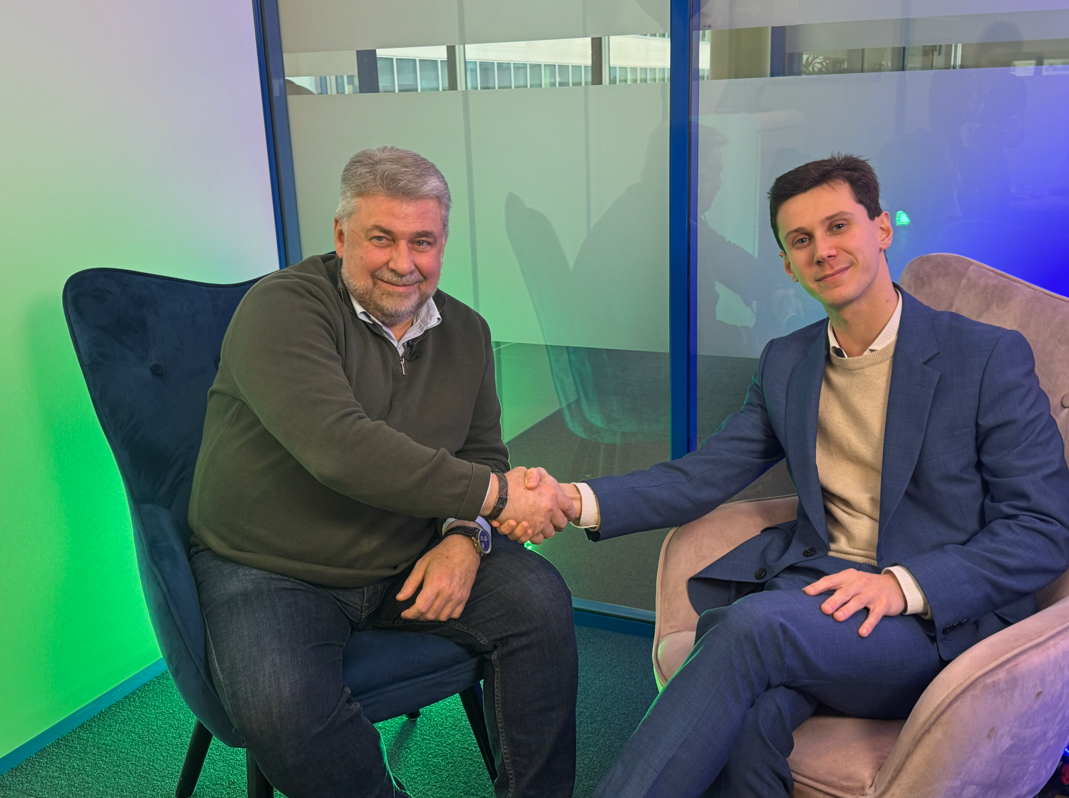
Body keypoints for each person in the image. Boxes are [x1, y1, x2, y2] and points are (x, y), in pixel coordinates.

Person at [511, 153, 1069, 797]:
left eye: (838, 226)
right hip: (816, 593)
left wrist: (904, 586)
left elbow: (1042, 528)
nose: (822, 250)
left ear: (881, 229)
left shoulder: (985, 356)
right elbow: (703, 475)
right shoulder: (788, 361)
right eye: (801, 240)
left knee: (744, 630)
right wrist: (571, 498)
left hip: (934, 622)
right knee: (748, 724)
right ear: (787, 264)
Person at [187, 146, 578, 798]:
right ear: (341, 236)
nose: (404, 262)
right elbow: (341, 449)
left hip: (407, 551)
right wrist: (499, 498)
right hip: (269, 566)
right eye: (381, 238)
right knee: (280, 704)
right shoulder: (282, 308)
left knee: (540, 601)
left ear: (442, 243)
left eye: (422, 241)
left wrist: (465, 536)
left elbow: (482, 452)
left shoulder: (468, 333)